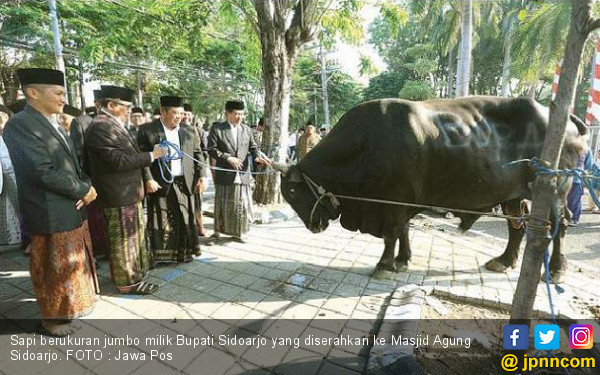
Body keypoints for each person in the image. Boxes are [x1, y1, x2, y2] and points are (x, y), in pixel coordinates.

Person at [3, 68, 99, 336]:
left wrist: (86, 187)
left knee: (68, 266)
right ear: (32, 92)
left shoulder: (50, 121)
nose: (62, 99)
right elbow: (41, 171)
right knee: (51, 268)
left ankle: (67, 312)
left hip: (68, 204)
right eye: (58, 93)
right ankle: (52, 320)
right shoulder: (20, 124)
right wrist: (83, 190)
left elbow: (72, 164)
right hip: (48, 208)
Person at [85, 85, 166, 294]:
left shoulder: (114, 123)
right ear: (111, 105)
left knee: (132, 239)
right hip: (116, 194)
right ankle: (126, 283)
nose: (130, 110)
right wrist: (152, 156)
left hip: (128, 193)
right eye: (127, 106)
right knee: (122, 242)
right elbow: (117, 161)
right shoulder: (100, 126)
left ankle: (135, 275)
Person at [136, 96, 206, 262]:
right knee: (161, 218)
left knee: (184, 217)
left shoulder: (189, 130)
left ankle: (185, 253)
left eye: (181, 113)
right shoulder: (147, 130)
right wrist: (148, 179)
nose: (179, 117)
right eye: (175, 113)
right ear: (162, 111)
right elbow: (141, 157)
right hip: (160, 182)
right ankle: (162, 256)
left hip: (185, 182)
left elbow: (198, 153)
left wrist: (202, 175)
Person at [207, 100, 270, 243]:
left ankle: (240, 233)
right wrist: (228, 158)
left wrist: (258, 158)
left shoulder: (247, 129)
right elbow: (211, 149)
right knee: (222, 204)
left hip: (243, 174)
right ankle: (217, 232)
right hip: (225, 173)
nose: (239, 117)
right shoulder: (217, 129)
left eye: (242, 114)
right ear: (227, 113)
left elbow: (253, 148)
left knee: (241, 204)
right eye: (236, 114)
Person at [0, 105, 21, 246]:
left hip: (11, 170)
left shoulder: (12, 131)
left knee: (14, 203)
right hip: (4, 171)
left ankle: (16, 237)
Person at [567, 148, 594, 226]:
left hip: (577, 179)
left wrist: (584, 173)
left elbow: (589, 165)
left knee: (574, 200)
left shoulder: (586, 149)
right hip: (564, 177)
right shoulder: (567, 147)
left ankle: (574, 219)